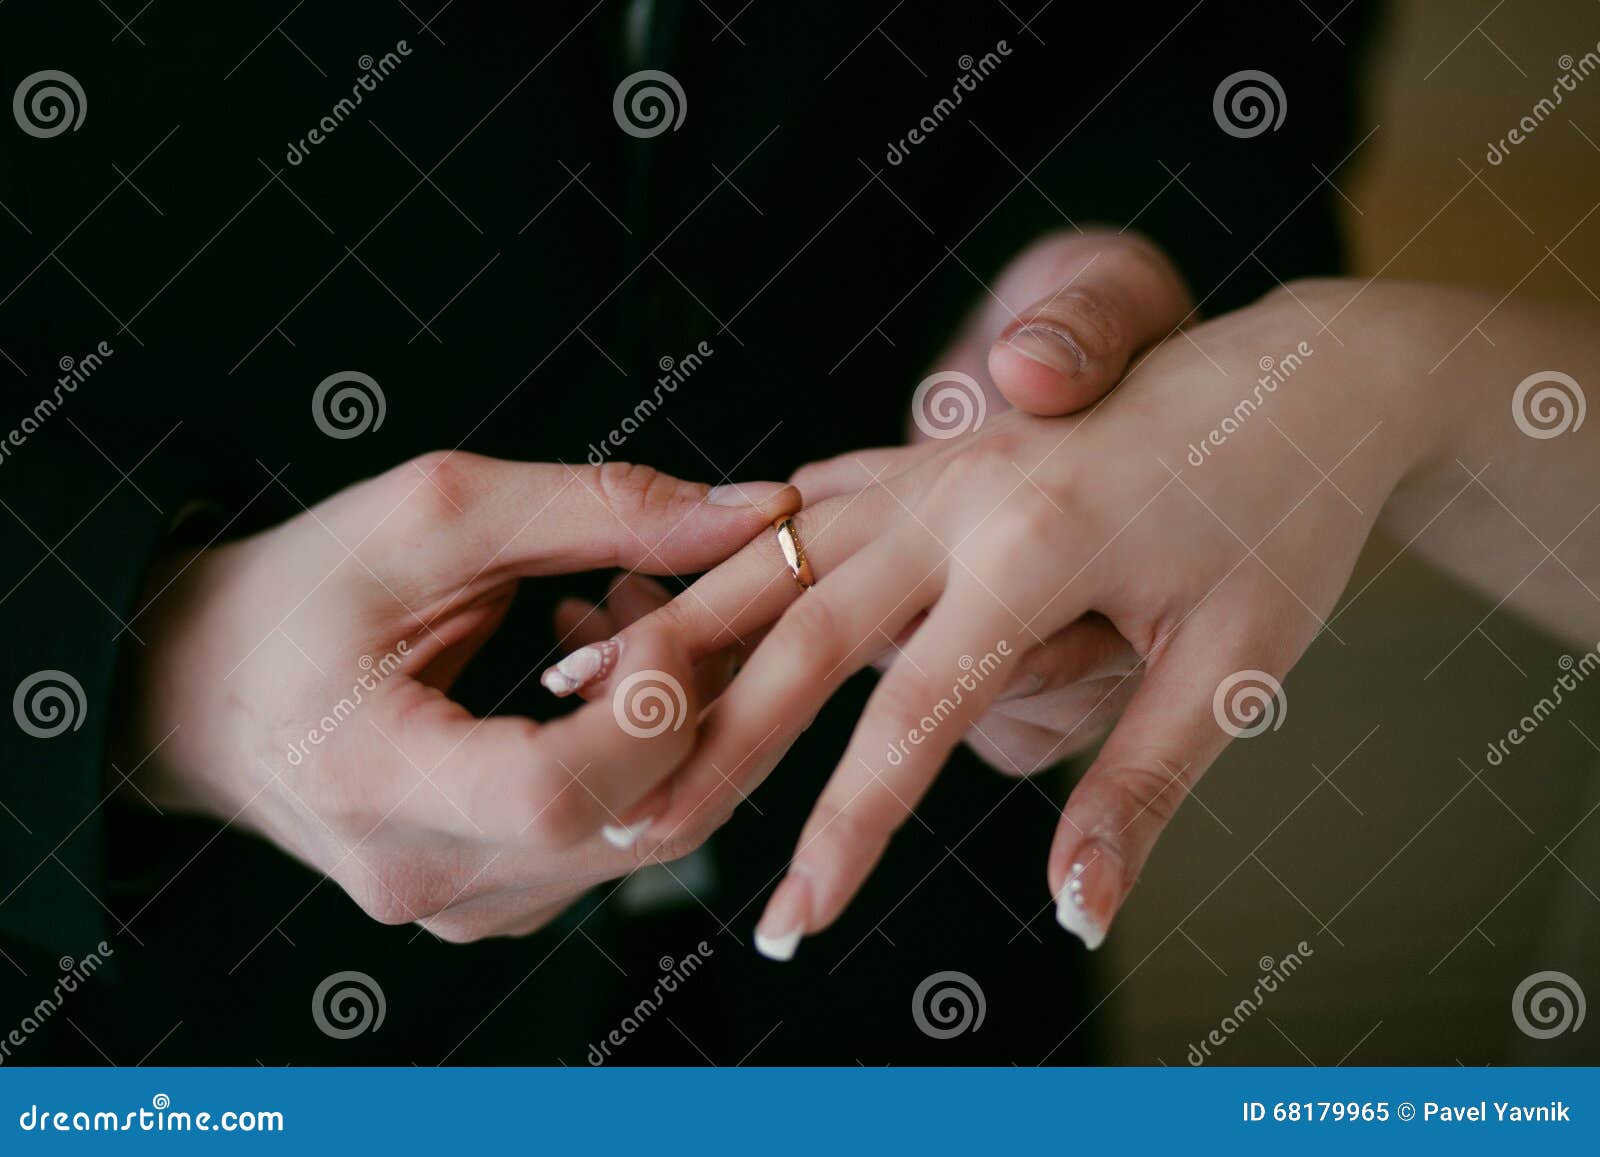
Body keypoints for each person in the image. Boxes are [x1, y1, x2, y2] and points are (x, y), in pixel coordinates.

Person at [0, 2, 1411, 1063]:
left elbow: (1238, 51)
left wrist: (1121, 276)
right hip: (149, 992)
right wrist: (147, 662)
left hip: (913, 940)